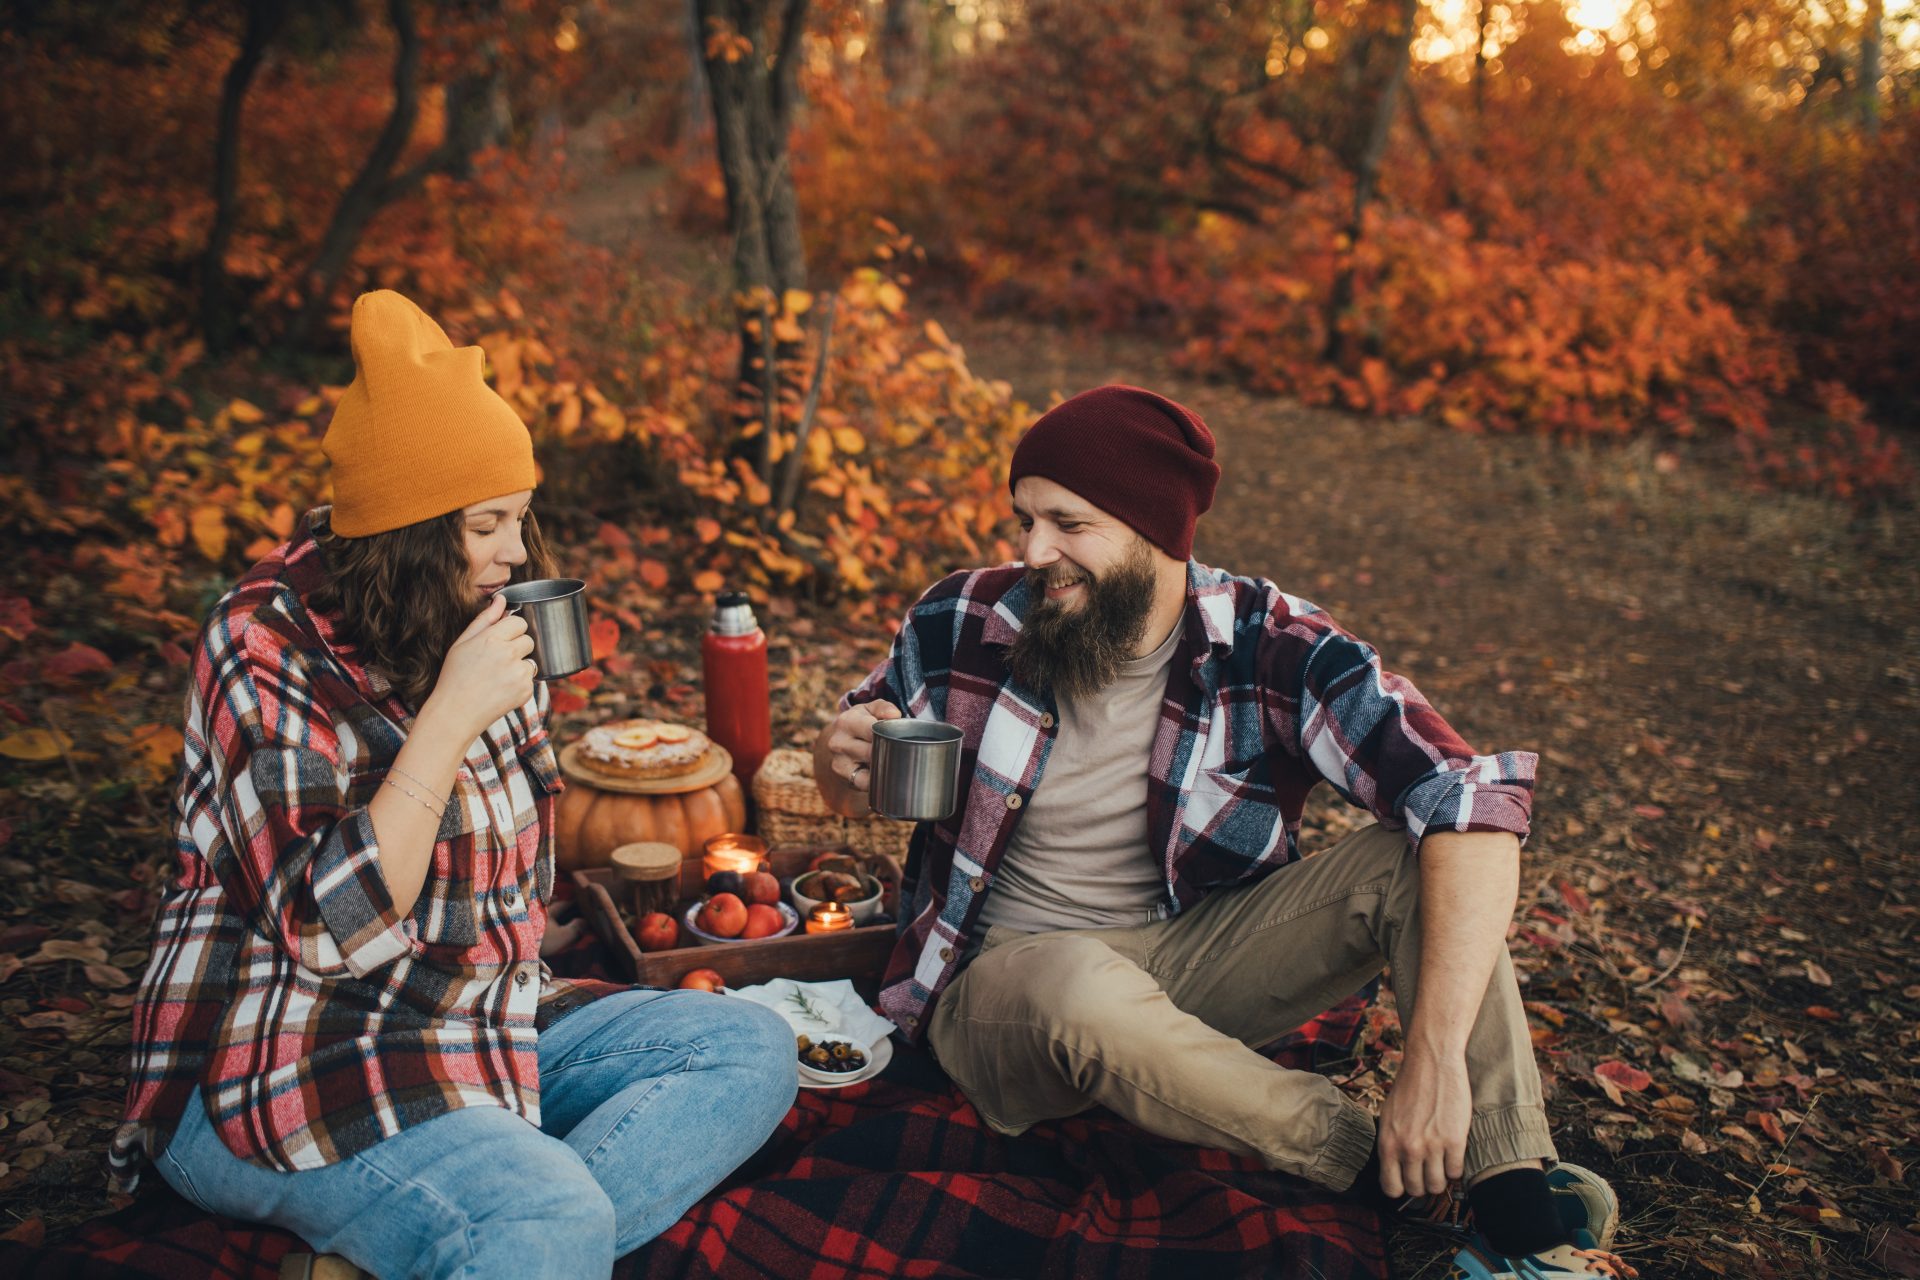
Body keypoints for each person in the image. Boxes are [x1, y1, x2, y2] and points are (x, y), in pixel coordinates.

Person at [814, 386, 1636, 1278]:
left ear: (1155, 529)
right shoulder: (963, 618)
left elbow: (1468, 804)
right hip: (1003, 988)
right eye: (1025, 519)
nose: (1032, 551)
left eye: (1067, 523)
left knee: (1413, 858)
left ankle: (1515, 1189)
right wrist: (836, 755)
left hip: (1186, 962)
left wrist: (1430, 1064)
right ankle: (1375, 1164)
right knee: (1079, 980)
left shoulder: (1270, 644)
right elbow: (850, 774)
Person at [113, 291, 796, 1279]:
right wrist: (446, 721)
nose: (517, 552)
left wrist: (544, 923)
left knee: (751, 1047)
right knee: (545, 1212)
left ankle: (461, 1239)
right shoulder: (262, 640)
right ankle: (510, 1229)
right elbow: (321, 927)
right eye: (488, 524)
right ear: (408, 533)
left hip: (475, 1015)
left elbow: (503, 867)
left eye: (520, 517)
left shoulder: (466, 599)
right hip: (286, 1046)